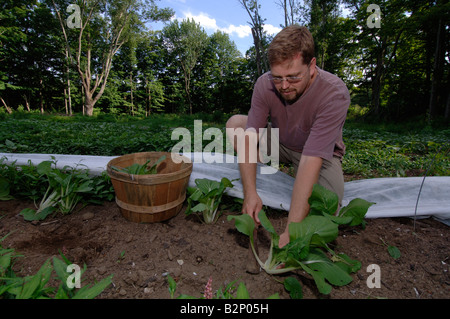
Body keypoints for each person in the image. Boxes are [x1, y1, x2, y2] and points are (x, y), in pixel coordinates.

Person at [226, 25, 350, 248]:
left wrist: (292, 229)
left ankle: (298, 193)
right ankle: (262, 178)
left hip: (320, 155)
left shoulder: (334, 93)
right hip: (281, 142)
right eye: (277, 77)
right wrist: (250, 193)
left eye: (293, 77)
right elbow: (250, 137)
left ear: (311, 66)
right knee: (236, 124)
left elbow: (311, 158)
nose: (284, 86)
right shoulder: (265, 85)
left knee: (327, 210)